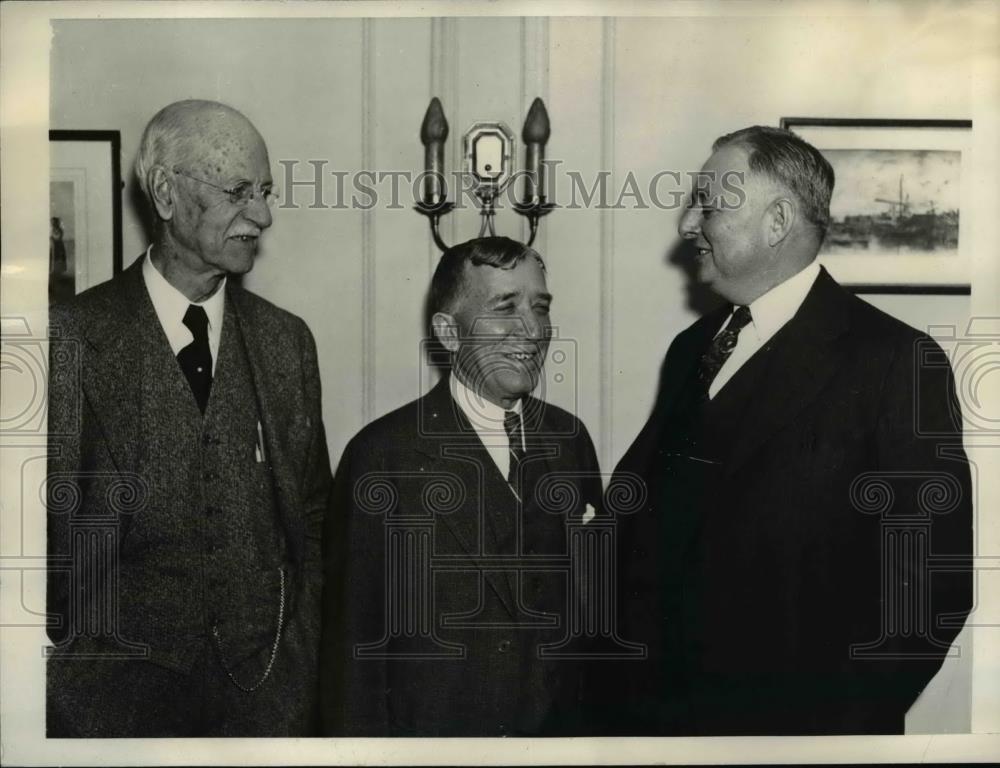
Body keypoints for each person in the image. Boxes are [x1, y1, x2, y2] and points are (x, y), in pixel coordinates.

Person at [601, 126, 973, 735]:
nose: (687, 223)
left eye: (711, 203)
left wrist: (829, 730)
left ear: (776, 221)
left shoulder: (896, 360)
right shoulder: (692, 347)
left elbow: (933, 587)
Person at [46, 100, 333, 736]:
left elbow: (314, 517)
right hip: (109, 705)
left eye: (263, 192)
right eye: (238, 192)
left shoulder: (288, 343)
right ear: (167, 194)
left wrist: (300, 657)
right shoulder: (69, 339)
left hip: (266, 700)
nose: (261, 215)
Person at [321, 236, 602, 736]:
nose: (533, 331)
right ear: (448, 333)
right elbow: (353, 657)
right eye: (505, 307)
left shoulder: (570, 439)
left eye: (541, 308)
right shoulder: (382, 456)